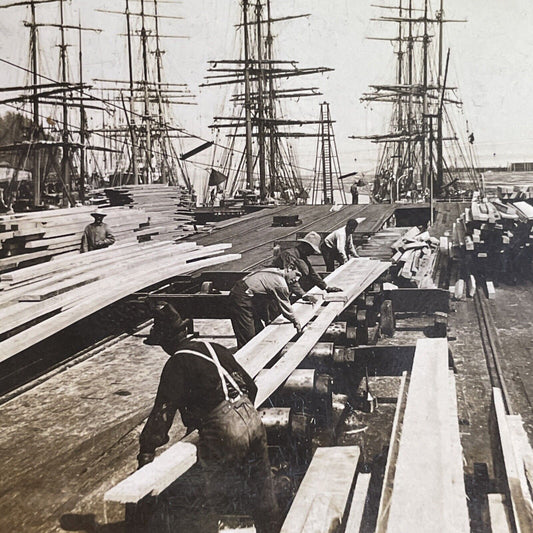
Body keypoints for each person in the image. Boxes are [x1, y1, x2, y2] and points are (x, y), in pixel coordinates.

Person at [138, 303, 280, 533]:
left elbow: (162, 412)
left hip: (225, 433)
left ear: (166, 340)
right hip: (252, 420)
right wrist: (239, 418)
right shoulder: (214, 347)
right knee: (262, 490)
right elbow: (250, 388)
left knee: (229, 505)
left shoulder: (177, 362)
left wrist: (146, 452)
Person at [229, 267, 303, 348]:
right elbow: (285, 306)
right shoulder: (280, 284)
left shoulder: (275, 271)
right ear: (289, 270)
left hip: (247, 293)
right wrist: (296, 322)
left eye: (296, 280)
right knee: (247, 334)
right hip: (241, 295)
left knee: (259, 330)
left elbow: (264, 302)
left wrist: (267, 319)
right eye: (294, 277)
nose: (294, 280)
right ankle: (245, 357)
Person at [271, 231, 342, 302]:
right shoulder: (289, 255)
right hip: (273, 287)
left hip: (285, 287)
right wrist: (303, 295)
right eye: (312, 250)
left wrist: (326, 287)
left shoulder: (302, 256)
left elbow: (312, 273)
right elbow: (290, 278)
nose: (312, 253)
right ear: (306, 246)